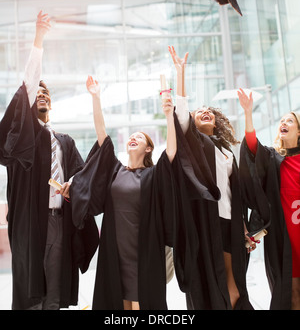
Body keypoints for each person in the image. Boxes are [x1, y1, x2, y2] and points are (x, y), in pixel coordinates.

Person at [70, 75, 202, 310]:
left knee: (142, 305)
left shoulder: (153, 174)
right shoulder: (114, 170)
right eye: (131, 136)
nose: (133, 138)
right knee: (118, 305)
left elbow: (172, 151)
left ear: (148, 148)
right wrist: (96, 97)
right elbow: (102, 134)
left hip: (144, 250)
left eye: (139, 137)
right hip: (115, 248)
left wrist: (169, 116)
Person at [0, 11, 98, 310]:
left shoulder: (65, 142)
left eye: (46, 93)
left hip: (59, 222)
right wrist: (39, 39)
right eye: (36, 93)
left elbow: (85, 176)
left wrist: (73, 185)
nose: (40, 95)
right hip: (31, 220)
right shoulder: (22, 141)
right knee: (31, 293)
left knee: (55, 292)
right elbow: (27, 87)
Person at [168, 46, 254, 310]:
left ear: (217, 121)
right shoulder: (193, 141)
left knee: (234, 283)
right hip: (204, 220)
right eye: (200, 111)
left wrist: (243, 227)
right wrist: (180, 72)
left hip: (229, 220)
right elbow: (180, 110)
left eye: (211, 112)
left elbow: (233, 191)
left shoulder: (227, 151)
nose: (206, 112)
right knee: (208, 282)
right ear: (193, 121)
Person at [237, 88, 300, 310]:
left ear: (298, 131)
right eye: (281, 120)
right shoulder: (274, 157)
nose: (283, 123)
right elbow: (253, 149)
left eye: (289, 121)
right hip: (285, 239)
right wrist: (248, 113)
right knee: (291, 292)